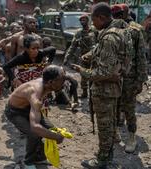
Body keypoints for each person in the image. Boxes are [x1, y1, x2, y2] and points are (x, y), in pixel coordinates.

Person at [72, 3, 124, 168]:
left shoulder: (109, 37)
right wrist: (90, 56)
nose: (92, 23)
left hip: (105, 90)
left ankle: (102, 161)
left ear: (101, 18)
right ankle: (106, 156)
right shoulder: (116, 32)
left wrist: (83, 71)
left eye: (93, 19)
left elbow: (104, 73)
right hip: (112, 89)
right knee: (109, 125)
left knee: (105, 127)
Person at [5, 65, 66, 168]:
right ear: (51, 82)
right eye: (62, 79)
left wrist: (52, 133)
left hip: (28, 107)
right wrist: (56, 137)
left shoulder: (46, 83)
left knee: (51, 128)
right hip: (14, 111)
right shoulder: (35, 93)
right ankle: (27, 161)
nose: (64, 81)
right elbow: (35, 127)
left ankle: (39, 158)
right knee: (34, 134)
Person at [114, 3, 148, 153]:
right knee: (113, 105)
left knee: (129, 108)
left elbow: (141, 56)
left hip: (129, 77)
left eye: (120, 13)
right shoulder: (110, 28)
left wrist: (141, 80)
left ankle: (131, 137)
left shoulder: (136, 30)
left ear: (126, 12)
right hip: (112, 76)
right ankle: (114, 132)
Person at [64, 14, 98, 98]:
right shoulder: (78, 33)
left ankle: (94, 92)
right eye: (81, 20)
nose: (82, 22)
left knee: (95, 75)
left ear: (88, 20)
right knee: (83, 75)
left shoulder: (94, 30)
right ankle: (85, 92)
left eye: (84, 20)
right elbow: (72, 46)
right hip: (84, 57)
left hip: (94, 57)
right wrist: (67, 57)